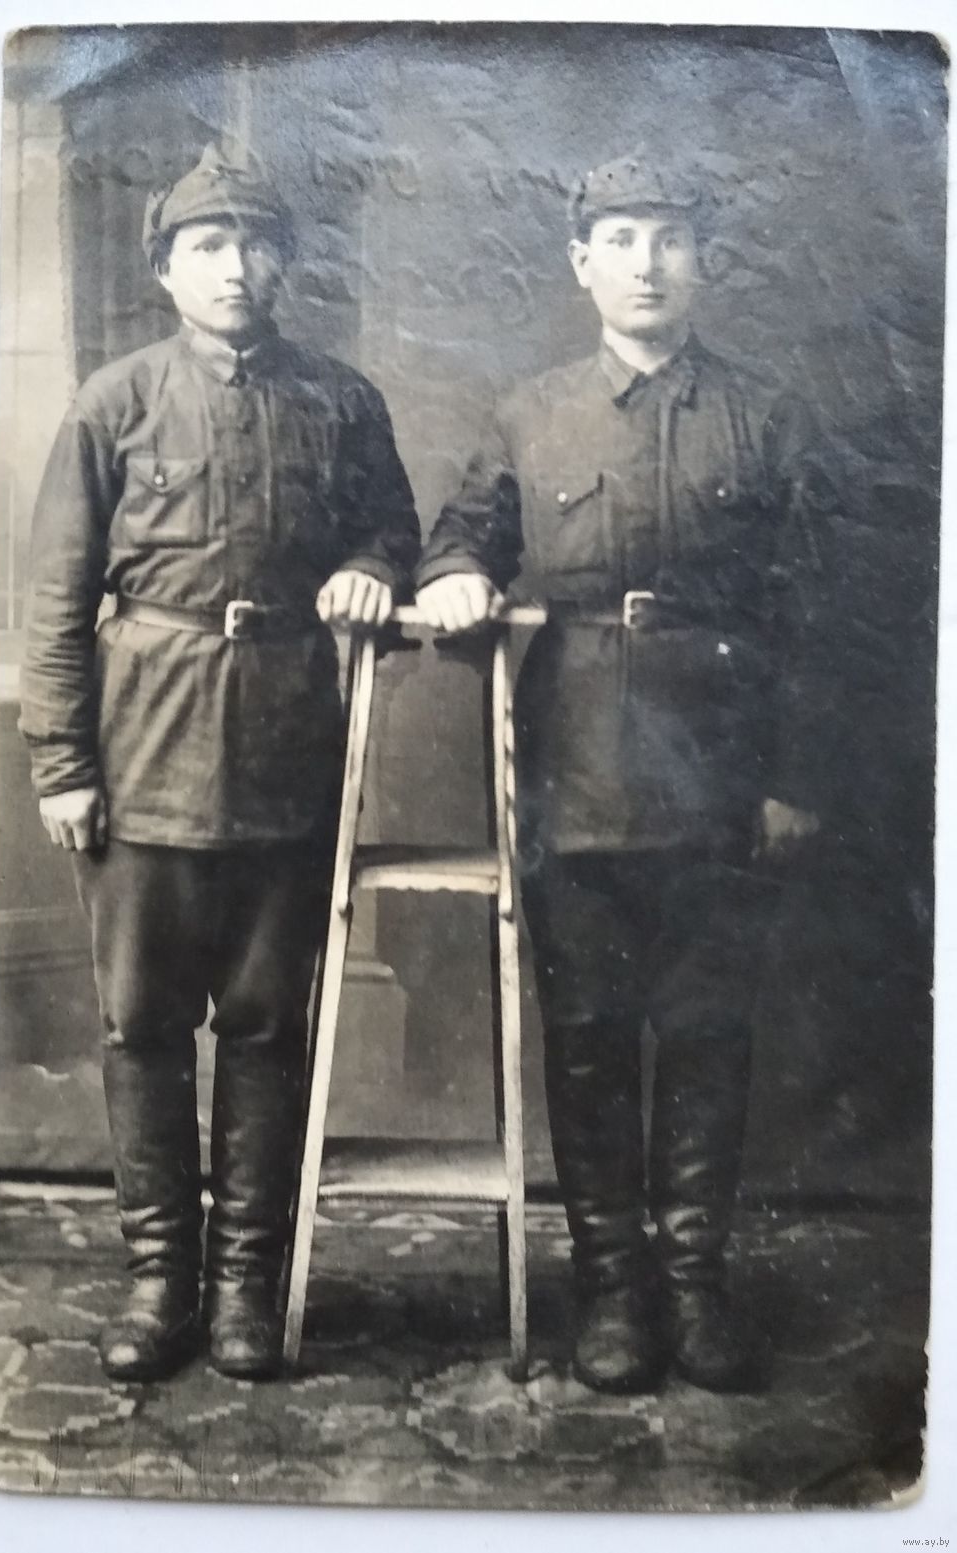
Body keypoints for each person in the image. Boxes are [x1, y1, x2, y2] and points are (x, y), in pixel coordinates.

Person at [415, 154, 835, 1394]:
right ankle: (612, 1288)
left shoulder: (765, 417)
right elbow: (461, 537)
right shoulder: (528, 412)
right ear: (579, 263)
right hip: (576, 773)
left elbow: (817, 615)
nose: (646, 263)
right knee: (591, 1035)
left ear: (705, 261)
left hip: (718, 777)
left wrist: (791, 779)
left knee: (707, 1034)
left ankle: (694, 1286)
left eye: (669, 238)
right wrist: (457, 575)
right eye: (620, 237)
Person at [19, 141, 420, 1382]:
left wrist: (374, 569)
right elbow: (56, 598)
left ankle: (247, 1281)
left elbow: (392, 530)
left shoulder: (342, 401)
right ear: (165, 269)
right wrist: (61, 761)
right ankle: (161, 1282)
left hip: (288, 751)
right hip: (143, 748)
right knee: (142, 1027)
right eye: (208, 245)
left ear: (286, 262)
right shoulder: (115, 402)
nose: (235, 267)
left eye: (256, 244)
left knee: (264, 1024)